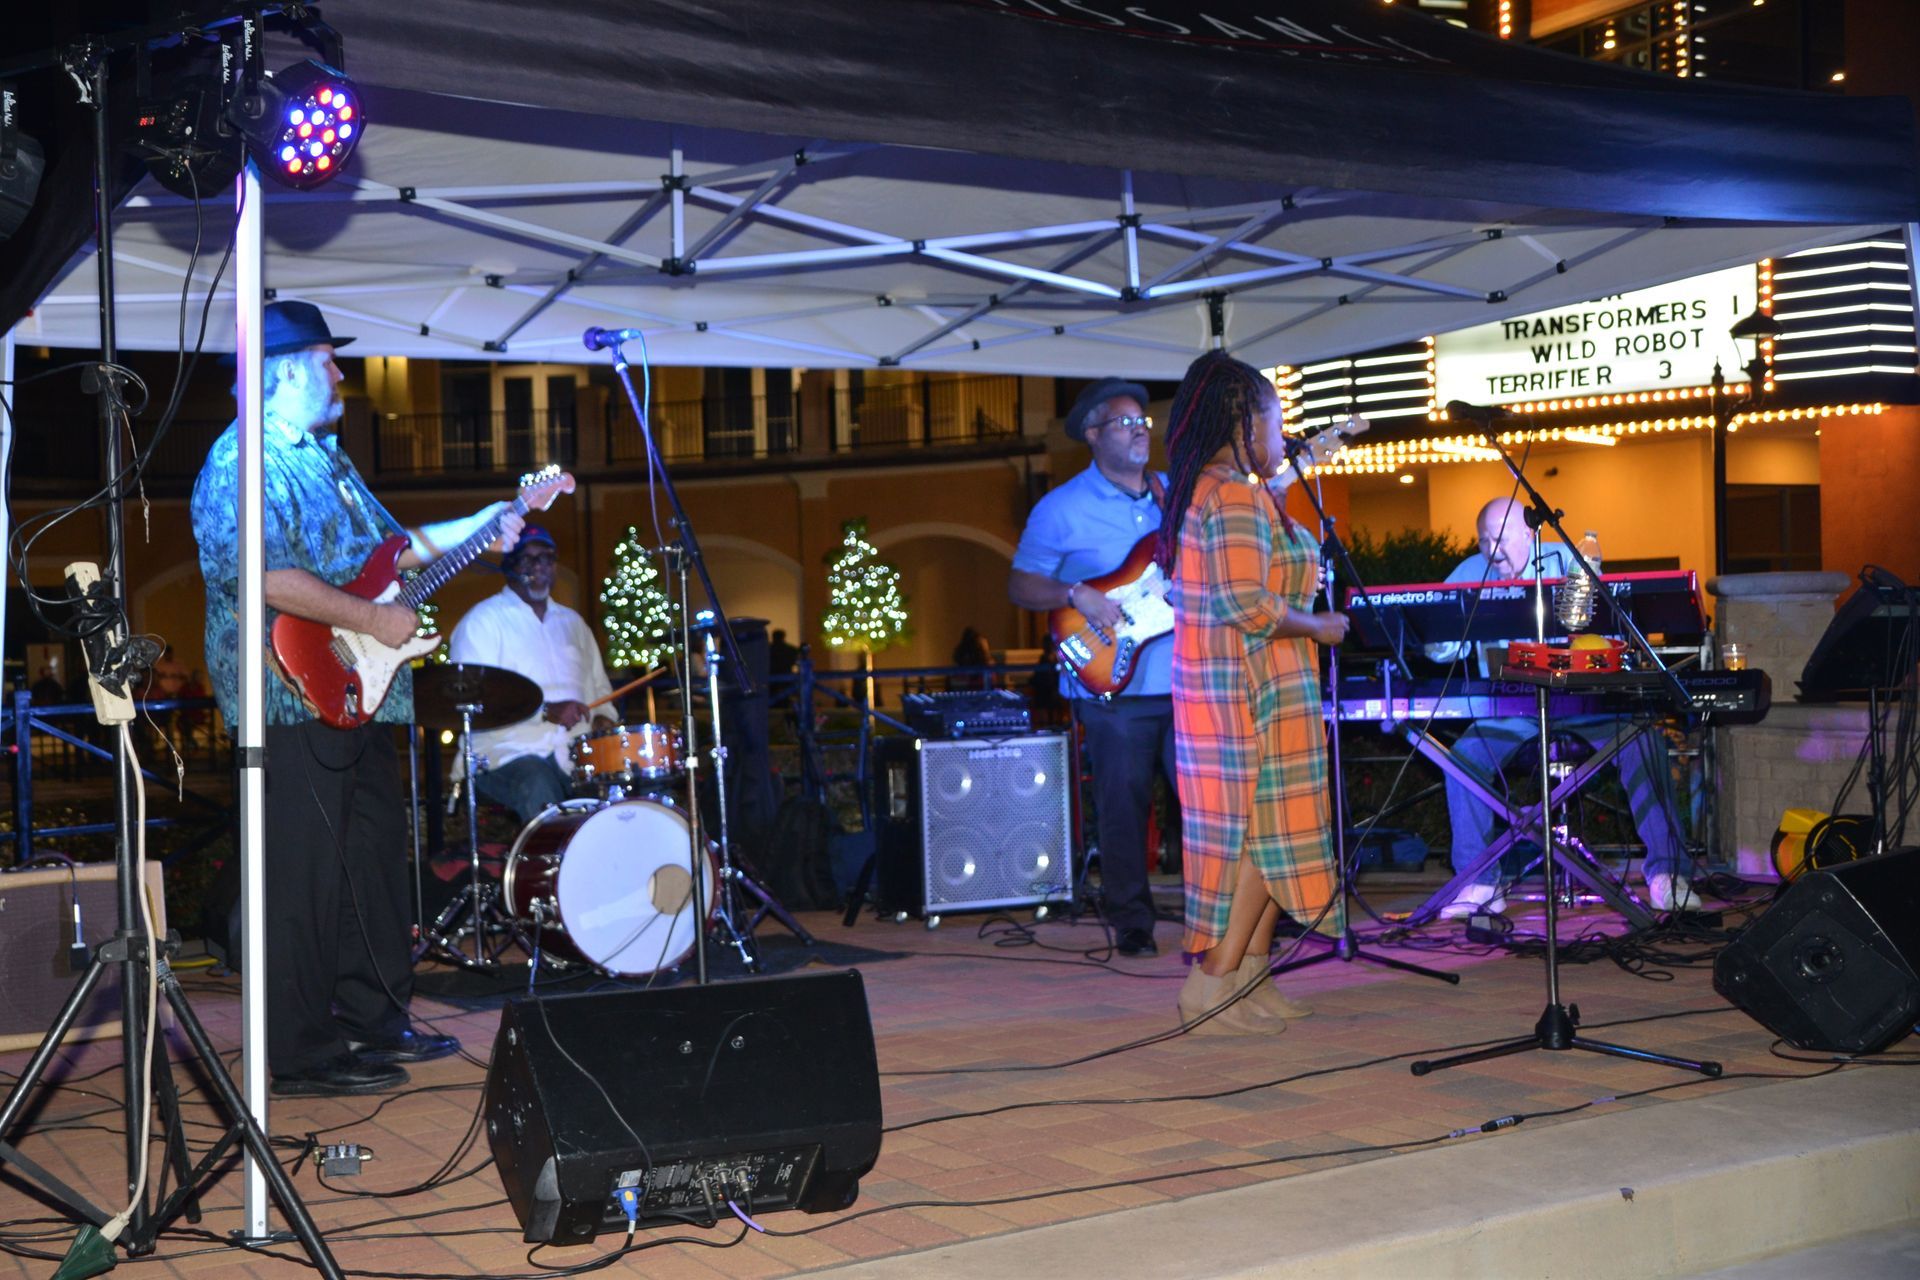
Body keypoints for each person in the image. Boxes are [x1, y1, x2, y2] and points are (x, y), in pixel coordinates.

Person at [192, 300, 524, 1097]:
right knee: (304, 877)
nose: (341, 374)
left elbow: (394, 551)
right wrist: (375, 619)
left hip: (366, 693)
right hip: (289, 696)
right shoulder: (241, 461)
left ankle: (375, 1019)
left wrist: (485, 524)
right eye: (326, 361)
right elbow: (263, 575)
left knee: (370, 864)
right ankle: (301, 1052)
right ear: (280, 375)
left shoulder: (329, 461)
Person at [1158, 351, 1348, 1034]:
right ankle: (1210, 985)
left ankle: (1249, 976)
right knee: (1265, 844)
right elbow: (1245, 601)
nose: (1282, 435)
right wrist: (1320, 625)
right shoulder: (1233, 494)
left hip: (1230, 685)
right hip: (1255, 690)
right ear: (1245, 423)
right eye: (1275, 420)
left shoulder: (1211, 489)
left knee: (1273, 840)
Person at [1432, 496, 1697, 917]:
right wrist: (1444, 632)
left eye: (1502, 538)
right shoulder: (1469, 572)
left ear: (1529, 534)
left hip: (1582, 703)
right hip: (1511, 710)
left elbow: (1608, 630)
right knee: (1464, 758)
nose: (1492, 550)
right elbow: (1437, 647)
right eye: (1484, 540)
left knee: (1641, 742)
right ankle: (1480, 883)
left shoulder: (1570, 559)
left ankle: (1668, 874)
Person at [1010, 377, 1173, 956]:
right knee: (1123, 806)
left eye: (1142, 422)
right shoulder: (1060, 508)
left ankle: (1223, 913)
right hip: (1112, 686)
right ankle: (1132, 921)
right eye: (1124, 422)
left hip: (1186, 679)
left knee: (1206, 804)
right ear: (1093, 434)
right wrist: (1075, 593)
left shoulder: (1172, 495)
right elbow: (1021, 584)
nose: (1139, 430)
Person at [447, 524, 615, 823]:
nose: (539, 566)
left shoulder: (574, 624)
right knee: (537, 783)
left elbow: (601, 692)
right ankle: (551, 856)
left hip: (575, 755)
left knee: (619, 788)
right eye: (528, 558)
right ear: (509, 567)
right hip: (503, 756)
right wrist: (544, 711)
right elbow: (473, 700)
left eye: (547, 558)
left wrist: (604, 717)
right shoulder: (482, 622)